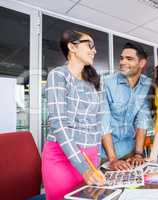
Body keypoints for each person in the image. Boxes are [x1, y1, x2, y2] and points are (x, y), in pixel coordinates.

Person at [42, 30, 106, 200]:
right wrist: (83, 167)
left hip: (90, 157)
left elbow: (97, 124)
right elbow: (59, 124)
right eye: (89, 45)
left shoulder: (93, 82)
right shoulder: (58, 75)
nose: (94, 50)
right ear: (72, 47)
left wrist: (96, 162)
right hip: (62, 157)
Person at [101, 42, 152, 170]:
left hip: (129, 151)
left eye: (129, 59)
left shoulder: (147, 84)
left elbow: (143, 120)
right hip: (105, 155)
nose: (123, 62)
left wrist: (138, 154)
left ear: (141, 63)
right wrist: (113, 160)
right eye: (122, 58)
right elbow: (103, 123)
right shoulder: (106, 83)